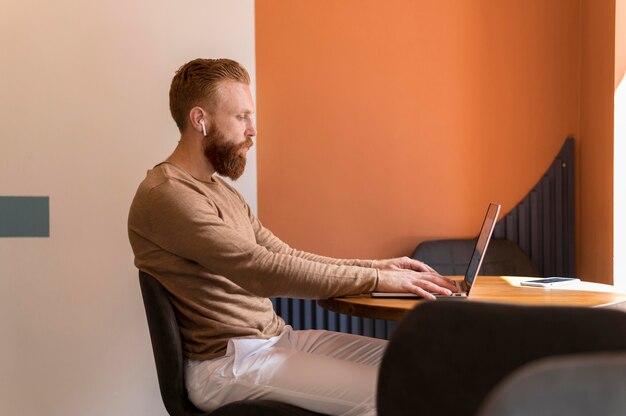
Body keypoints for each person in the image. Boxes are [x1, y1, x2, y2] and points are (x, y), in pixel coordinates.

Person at [128, 58, 458, 416]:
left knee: (416, 368)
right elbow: (259, 270)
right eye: (241, 117)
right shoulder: (167, 195)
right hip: (225, 366)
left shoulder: (220, 191)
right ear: (200, 120)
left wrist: (378, 267)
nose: (252, 130)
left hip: (275, 341)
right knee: (391, 393)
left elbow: (283, 254)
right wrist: (378, 278)